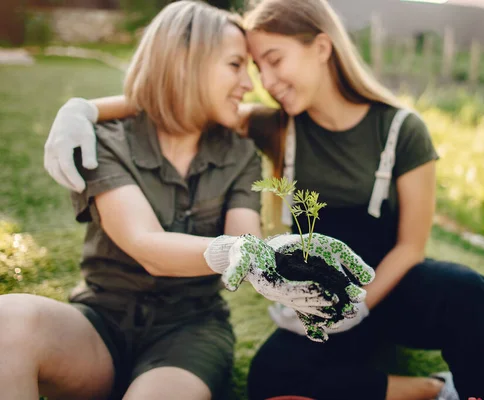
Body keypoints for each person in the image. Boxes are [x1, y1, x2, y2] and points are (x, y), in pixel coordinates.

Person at [43, 1, 484, 399]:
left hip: (389, 288)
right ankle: (431, 390)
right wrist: (84, 109)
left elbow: (411, 247)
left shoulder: (402, 130)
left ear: (321, 47)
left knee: (468, 290)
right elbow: (175, 92)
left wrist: (356, 308)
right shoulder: (273, 126)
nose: (265, 82)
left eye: (274, 61)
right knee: (272, 377)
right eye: (255, 67)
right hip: (318, 294)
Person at [5, 2, 371, 400]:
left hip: (189, 336)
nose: (250, 84)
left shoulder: (239, 153)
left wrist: (275, 261)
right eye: (235, 65)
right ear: (185, 63)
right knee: (9, 320)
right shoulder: (109, 141)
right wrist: (83, 108)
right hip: (99, 323)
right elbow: (145, 245)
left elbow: (244, 235)